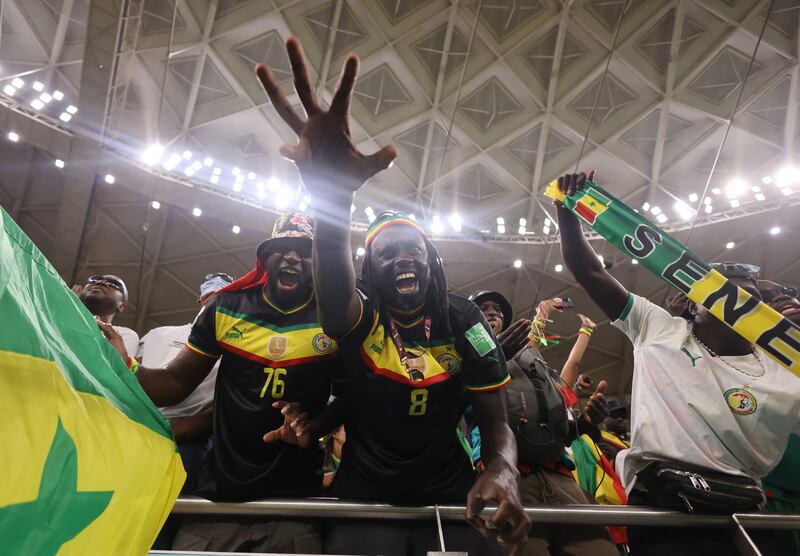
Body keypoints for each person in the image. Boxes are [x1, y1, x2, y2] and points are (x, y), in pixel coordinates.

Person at [255, 37, 529, 555]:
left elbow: (495, 421)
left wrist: (503, 468)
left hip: (451, 493)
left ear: (431, 261)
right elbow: (334, 309)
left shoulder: (464, 318)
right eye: (386, 255)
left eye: (413, 250)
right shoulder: (361, 314)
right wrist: (332, 200)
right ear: (371, 273)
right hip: (367, 494)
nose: (403, 258)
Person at [554, 170, 800, 555]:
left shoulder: (787, 371)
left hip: (746, 511)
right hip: (665, 506)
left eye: (748, 299)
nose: (735, 302)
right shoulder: (658, 327)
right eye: (720, 294)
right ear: (691, 304)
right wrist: (567, 210)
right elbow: (590, 271)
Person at [99, 213, 335, 554]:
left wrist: (313, 426)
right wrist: (128, 367)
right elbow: (177, 381)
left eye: (303, 248)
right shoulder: (227, 307)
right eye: (281, 247)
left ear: (318, 260)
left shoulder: (334, 317)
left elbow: (351, 396)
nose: (292, 256)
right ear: (264, 257)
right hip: (220, 494)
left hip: (295, 499)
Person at [472, 290, 618, 556]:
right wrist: (490, 359)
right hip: (508, 479)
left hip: (560, 476)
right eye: (483, 308)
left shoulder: (532, 364)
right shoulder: (463, 357)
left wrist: (586, 422)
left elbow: (555, 425)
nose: (493, 312)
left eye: (497, 308)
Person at [74, 274, 139, 356]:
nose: (100, 282)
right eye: (94, 279)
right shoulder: (59, 310)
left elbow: (112, 366)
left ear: (121, 306)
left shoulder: (124, 335)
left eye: (113, 283)